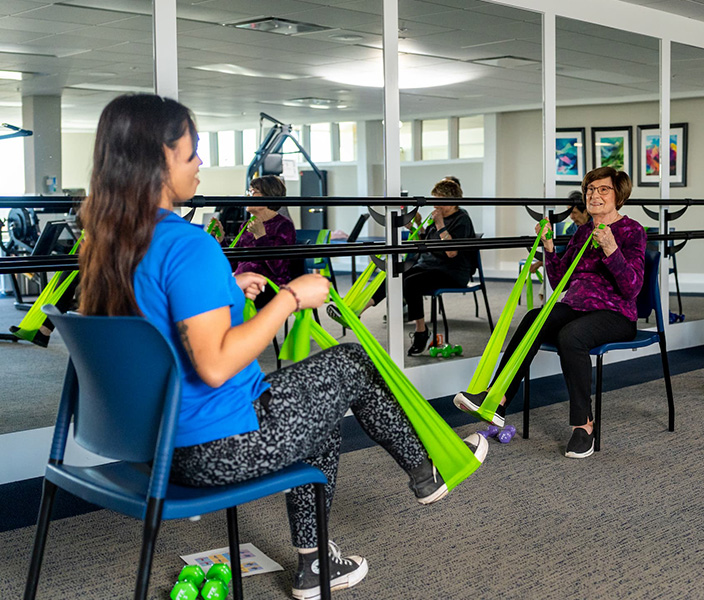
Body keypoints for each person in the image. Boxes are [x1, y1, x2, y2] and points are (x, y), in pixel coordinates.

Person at [76, 94, 487, 599]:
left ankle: (323, 560)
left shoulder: (108, 244)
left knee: (320, 402)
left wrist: (226, 286)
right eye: (192, 152)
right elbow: (215, 364)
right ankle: (425, 471)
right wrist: (290, 298)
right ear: (158, 161)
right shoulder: (187, 244)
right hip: (216, 446)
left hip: (154, 447)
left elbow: (164, 322)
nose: (201, 163)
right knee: (351, 363)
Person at [452, 166, 646, 459]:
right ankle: (499, 399)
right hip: (576, 306)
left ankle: (584, 426)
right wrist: (550, 249)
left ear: (618, 195)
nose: (594, 195)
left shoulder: (632, 231)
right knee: (533, 318)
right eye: (590, 190)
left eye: (602, 189)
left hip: (616, 314)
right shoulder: (582, 231)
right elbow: (560, 281)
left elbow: (632, 288)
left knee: (571, 337)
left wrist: (611, 250)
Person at [329, 178, 477, 356]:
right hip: (429, 266)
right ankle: (357, 312)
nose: (435, 206)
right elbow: (425, 243)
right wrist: (416, 225)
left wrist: (439, 225)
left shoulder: (461, 220)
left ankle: (421, 332)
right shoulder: (438, 217)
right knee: (394, 273)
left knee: (411, 282)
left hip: (452, 272)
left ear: (451, 201)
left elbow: (451, 252)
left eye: (438, 201)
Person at [228, 175, 297, 309]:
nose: (247, 197)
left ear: (268, 196)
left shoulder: (283, 225)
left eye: (253, 192)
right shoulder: (246, 225)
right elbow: (233, 263)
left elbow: (278, 267)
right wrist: (219, 241)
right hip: (242, 282)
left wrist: (261, 236)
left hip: (266, 286)